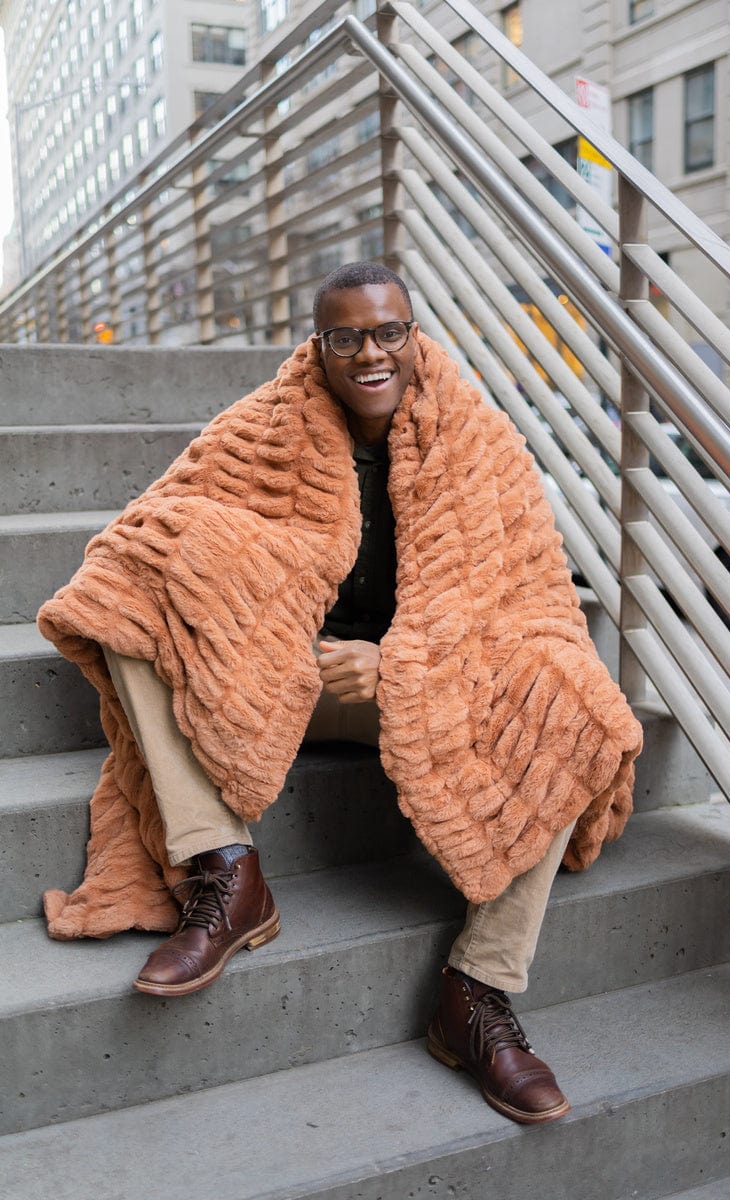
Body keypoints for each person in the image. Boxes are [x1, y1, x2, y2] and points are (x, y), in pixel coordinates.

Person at [38, 262, 642, 1127]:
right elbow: (151, 531)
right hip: (288, 679)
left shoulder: (482, 441)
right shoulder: (263, 427)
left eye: (388, 331)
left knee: (570, 692)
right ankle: (227, 870)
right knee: (129, 582)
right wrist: (275, 639)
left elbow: (531, 611)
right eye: (346, 336)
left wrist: (398, 667)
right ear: (318, 346)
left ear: (414, 334)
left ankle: (476, 995)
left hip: (422, 690)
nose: (370, 354)